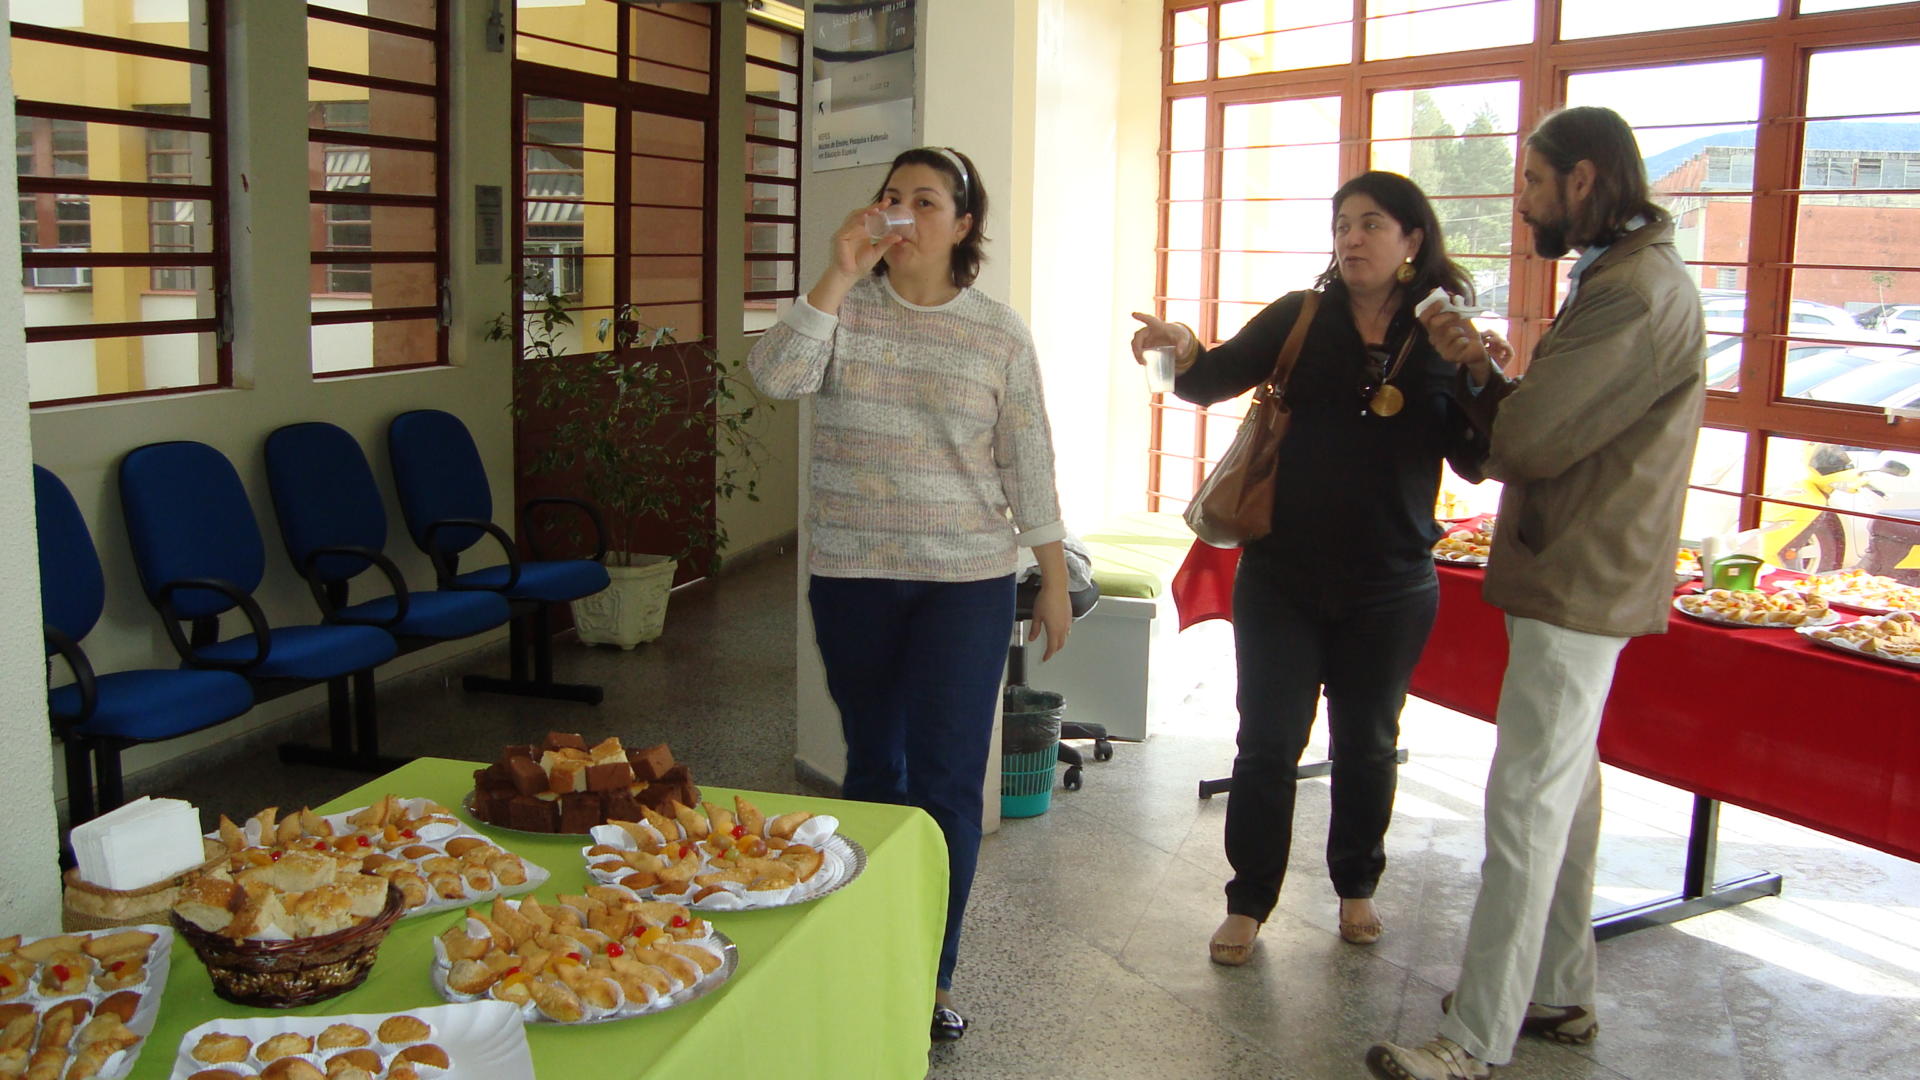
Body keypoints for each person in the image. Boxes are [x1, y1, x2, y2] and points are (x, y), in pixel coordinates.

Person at [1365, 106, 1705, 1080]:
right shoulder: (1618, 275)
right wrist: (1481, 365)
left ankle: (1474, 1038)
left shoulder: (1632, 293)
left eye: (1531, 182)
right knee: (1566, 793)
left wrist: (1476, 382)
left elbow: (1527, 442)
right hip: (1577, 564)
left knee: (1524, 804)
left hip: (1581, 574)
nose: (1521, 203)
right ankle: (1557, 990)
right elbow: (1553, 421)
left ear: (1583, 180)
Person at [746, 146, 1071, 1044]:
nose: (902, 213)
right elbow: (773, 376)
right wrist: (836, 274)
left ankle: (930, 971)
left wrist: (1051, 576)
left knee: (947, 783)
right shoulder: (844, 307)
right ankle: (866, 946)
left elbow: (1027, 458)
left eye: (926, 201)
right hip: (853, 578)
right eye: (892, 197)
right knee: (874, 771)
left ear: (964, 225)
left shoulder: (997, 332)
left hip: (964, 584)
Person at [1130, 171, 1491, 967]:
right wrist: (1179, 346)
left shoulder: (1442, 334)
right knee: (1266, 744)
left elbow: (1477, 459)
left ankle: (1357, 885)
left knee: (1368, 743)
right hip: (1283, 574)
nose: (1351, 238)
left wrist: (1476, 375)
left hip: (1391, 581)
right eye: (1341, 225)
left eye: (1371, 224)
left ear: (1412, 240)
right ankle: (1248, 899)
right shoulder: (1301, 314)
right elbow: (1211, 377)